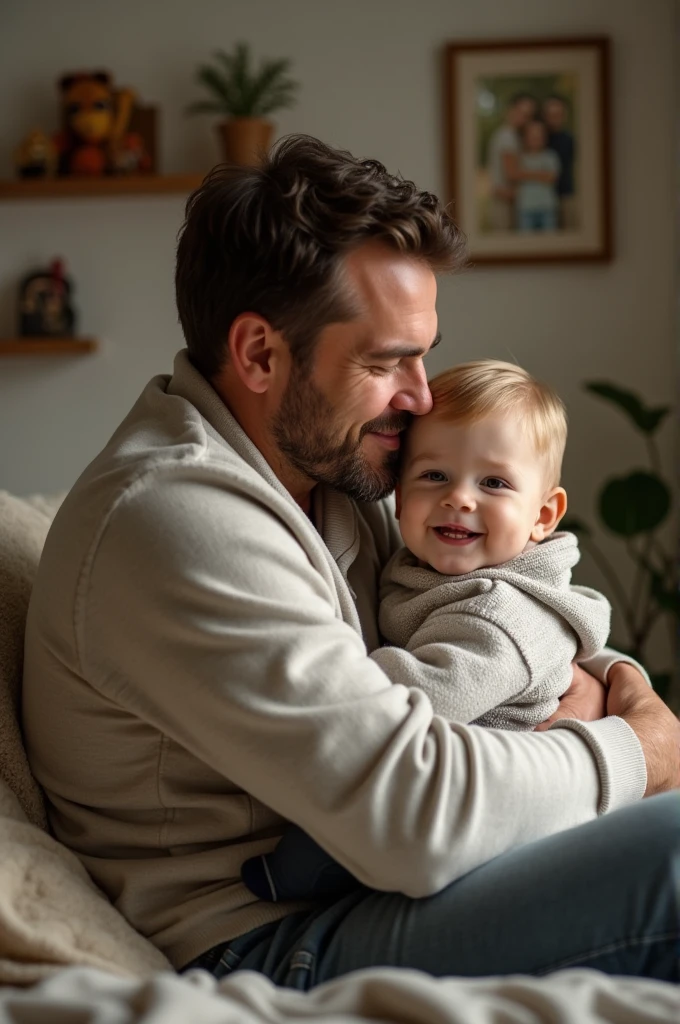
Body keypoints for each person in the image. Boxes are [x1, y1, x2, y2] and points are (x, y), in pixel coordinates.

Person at [22, 135, 680, 991]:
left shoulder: (335, 469)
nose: (421, 394)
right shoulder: (175, 518)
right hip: (266, 939)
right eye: (384, 361)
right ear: (260, 354)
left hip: (365, 886)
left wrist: (618, 681)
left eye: (423, 351)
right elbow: (413, 813)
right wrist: (635, 752)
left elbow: (508, 593)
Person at [240, 359, 613, 902]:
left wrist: (346, 673)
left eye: (494, 482)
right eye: (434, 475)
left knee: (355, 825)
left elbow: (423, 693)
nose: (459, 498)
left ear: (543, 515)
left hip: (501, 806)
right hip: (448, 775)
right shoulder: (421, 565)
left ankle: (296, 877)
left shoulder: (502, 613)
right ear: (397, 493)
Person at [485, 93, 536, 230]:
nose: (525, 119)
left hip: (507, 200)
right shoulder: (507, 136)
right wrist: (543, 176)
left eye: (528, 115)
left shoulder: (511, 136)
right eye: (522, 113)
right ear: (511, 110)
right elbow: (512, 173)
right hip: (503, 201)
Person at [515, 120, 560, 232]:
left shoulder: (551, 156)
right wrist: (541, 174)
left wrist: (526, 174)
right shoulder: (520, 157)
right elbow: (516, 175)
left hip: (547, 207)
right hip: (526, 207)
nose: (536, 139)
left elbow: (551, 177)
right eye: (532, 136)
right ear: (526, 138)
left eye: (539, 135)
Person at [543, 94, 577, 230]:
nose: (554, 118)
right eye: (551, 115)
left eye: (558, 114)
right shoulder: (540, 138)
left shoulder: (569, 139)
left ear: (564, 116)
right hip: (542, 198)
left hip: (565, 195)